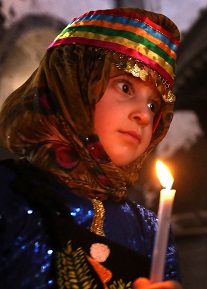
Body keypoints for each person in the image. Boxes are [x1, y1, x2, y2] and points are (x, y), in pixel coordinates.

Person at [0, 7, 183, 289]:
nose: (144, 116)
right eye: (125, 87)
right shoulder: (9, 195)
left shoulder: (149, 229)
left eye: (153, 105)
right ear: (72, 86)